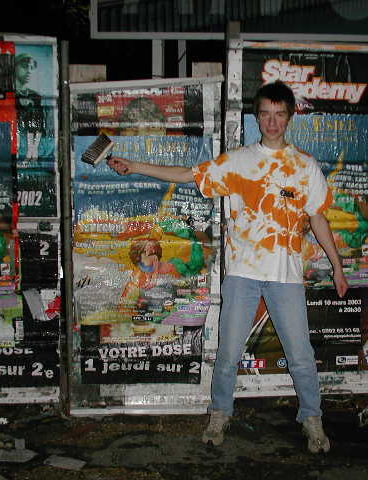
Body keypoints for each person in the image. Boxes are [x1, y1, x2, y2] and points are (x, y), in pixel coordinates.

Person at [107, 81, 349, 453]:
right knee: (228, 354)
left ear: (289, 117)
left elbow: (318, 217)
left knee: (301, 355)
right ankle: (220, 413)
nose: (272, 122)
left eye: (279, 114)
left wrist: (337, 267)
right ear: (257, 117)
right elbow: (188, 175)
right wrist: (134, 166)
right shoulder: (237, 161)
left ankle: (312, 419)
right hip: (242, 275)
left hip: (286, 277)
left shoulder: (305, 167)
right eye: (265, 114)